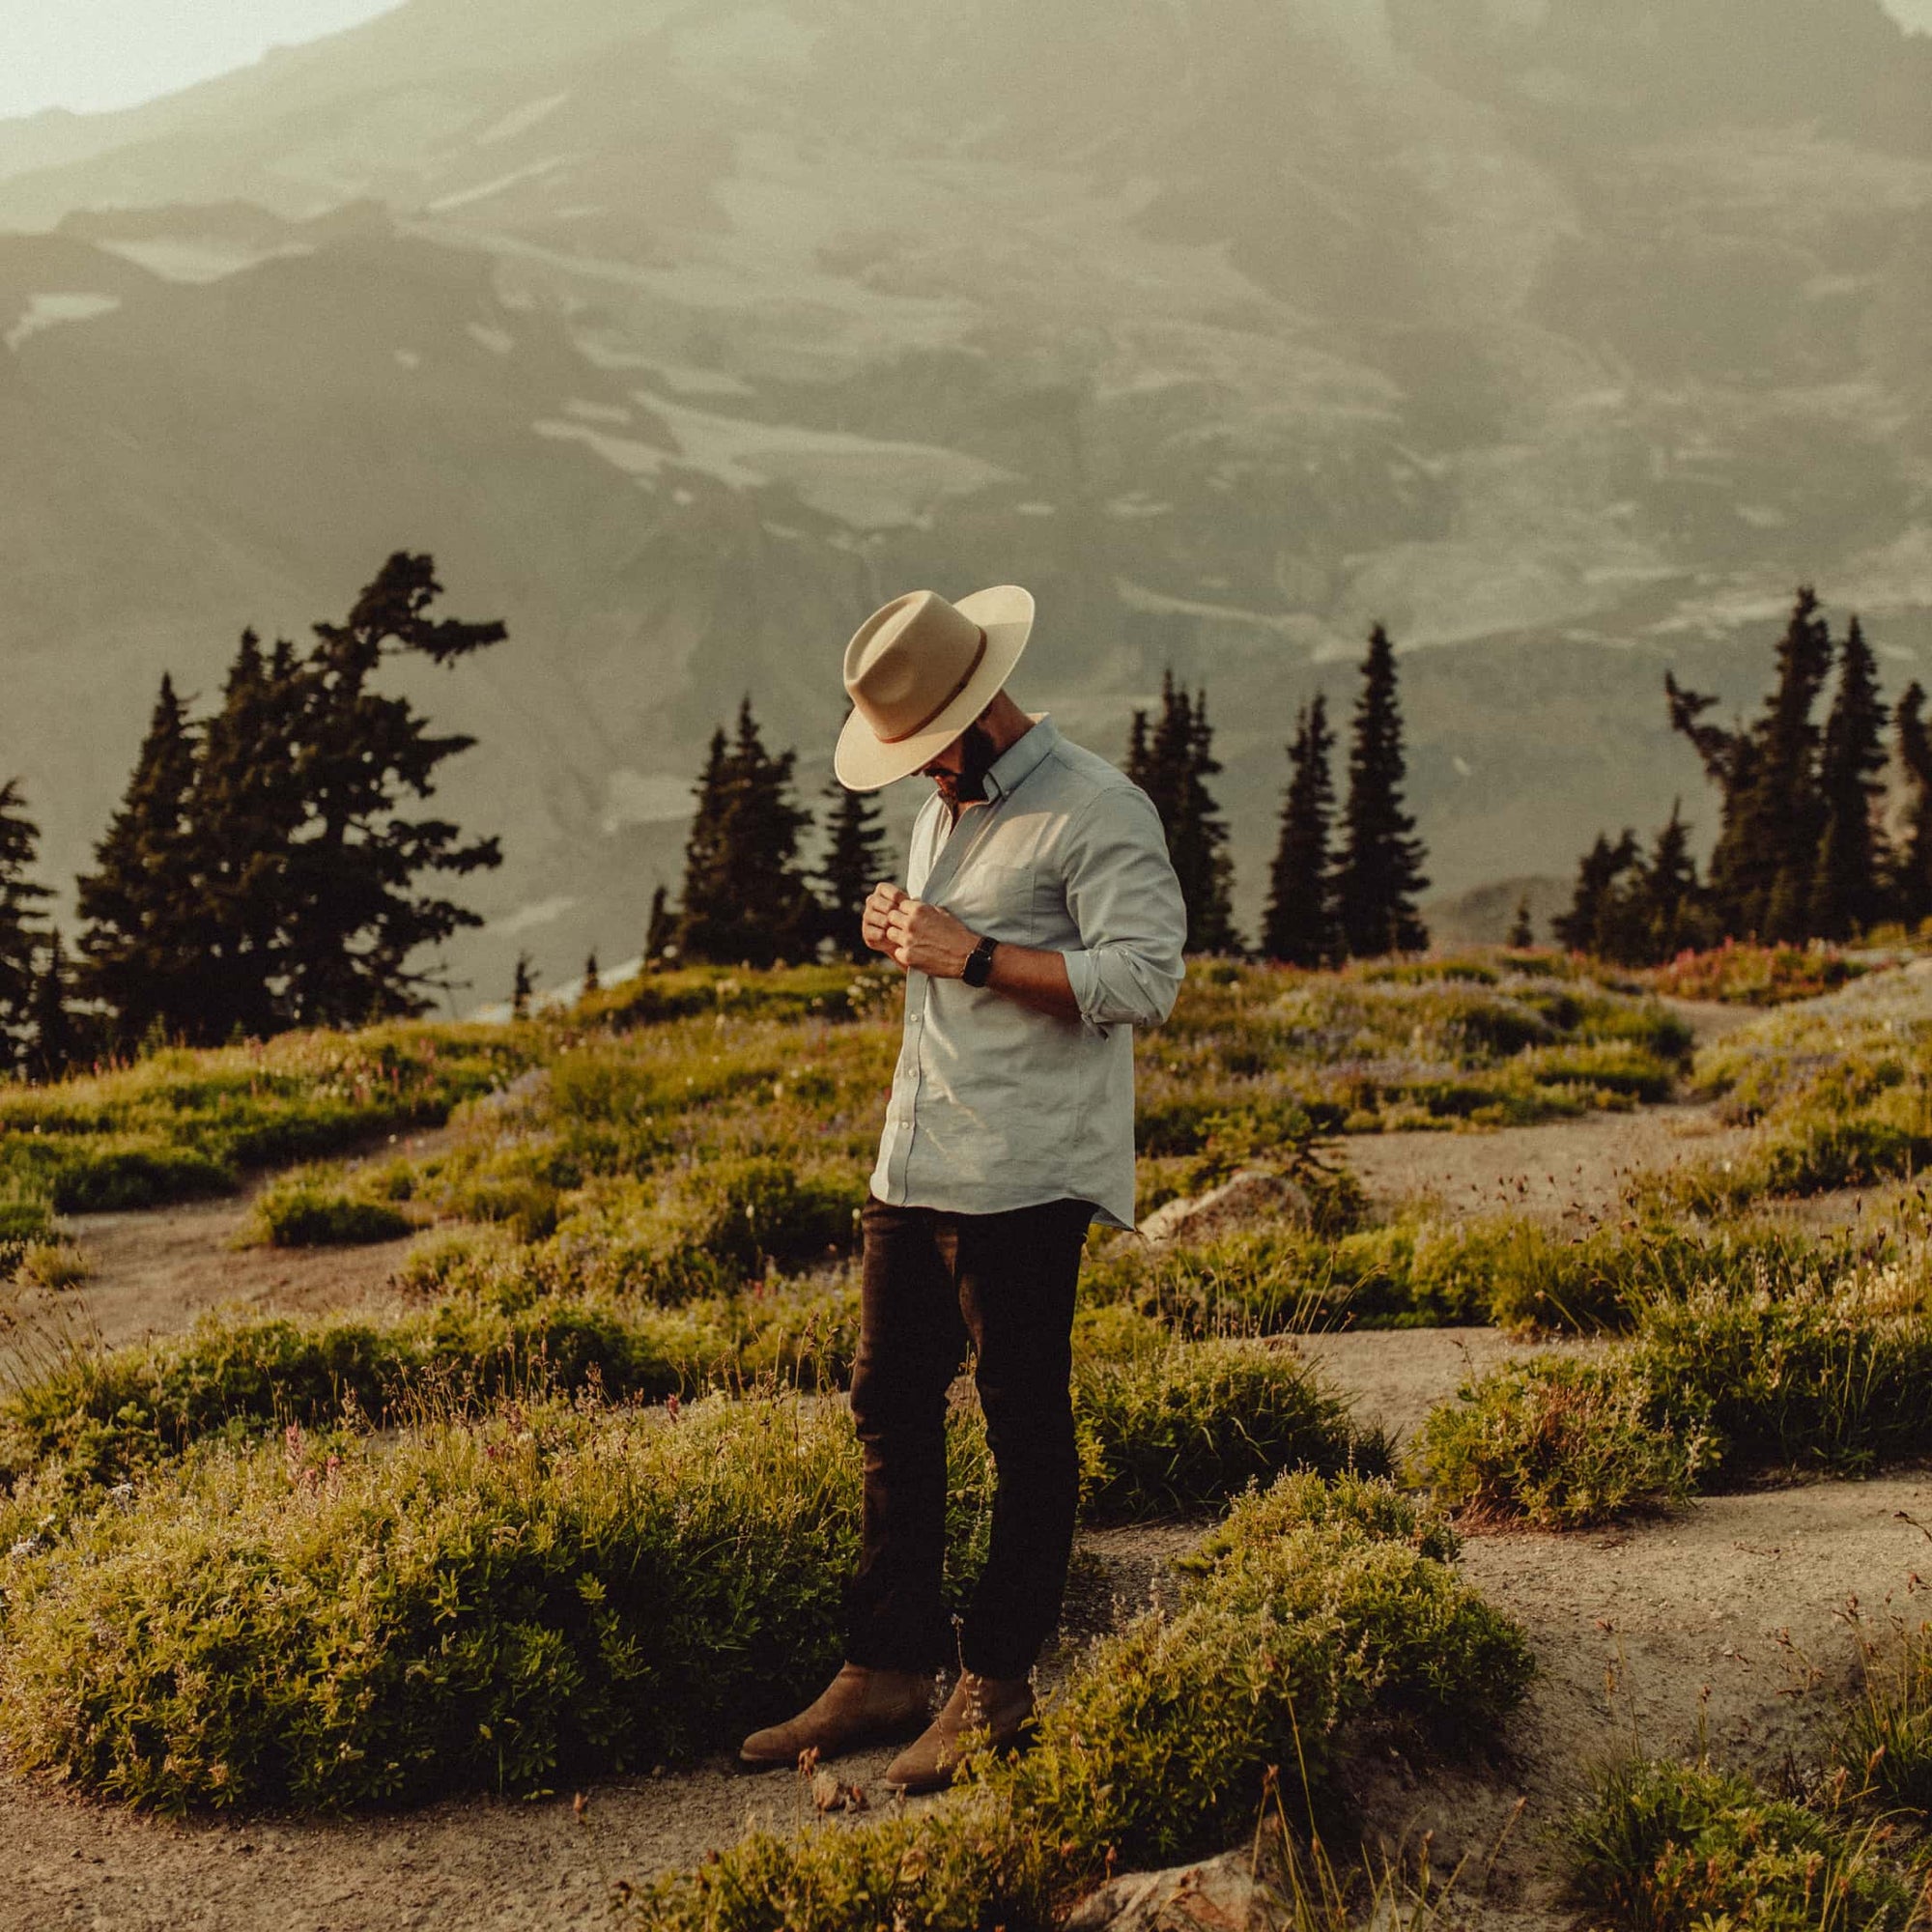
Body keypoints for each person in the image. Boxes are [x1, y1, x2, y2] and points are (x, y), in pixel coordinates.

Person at [738, 583, 1187, 1793]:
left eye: (922, 750)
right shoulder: (944, 807)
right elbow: (950, 951)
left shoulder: (1098, 808)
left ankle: (995, 1682)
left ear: (979, 711)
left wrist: (972, 953)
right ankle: (884, 1665)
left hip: (1026, 1171)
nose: (914, 775)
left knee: (1021, 1417)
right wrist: (905, 930)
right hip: (915, 1154)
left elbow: (1144, 981)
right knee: (887, 1402)